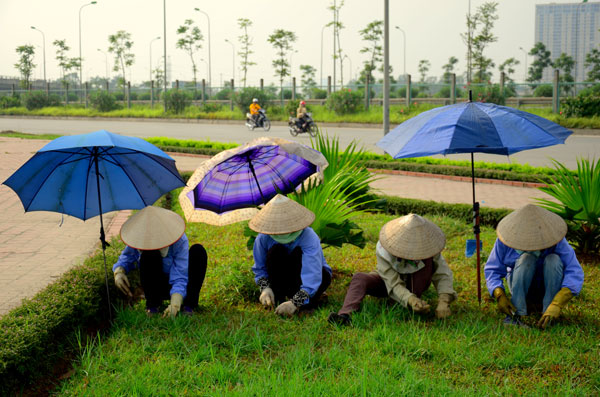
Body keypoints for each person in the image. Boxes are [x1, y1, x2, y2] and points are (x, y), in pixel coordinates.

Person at [328, 214, 457, 326]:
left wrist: (444, 301)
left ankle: (412, 304)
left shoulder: (429, 247)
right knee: (359, 278)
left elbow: (443, 274)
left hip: (417, 279)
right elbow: (392, 282)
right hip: (387, 281)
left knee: (425, 269)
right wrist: (409, 299)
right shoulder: (385, 247)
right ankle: (345, 315)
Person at [484, 204, 584, 328]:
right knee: (527, 258)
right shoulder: (505, 239)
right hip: (519, 285)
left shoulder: (557, 240)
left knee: (553, 259)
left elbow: (574, 272)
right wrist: (499, 294)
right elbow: (492, 269)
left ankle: (548, 313)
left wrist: (557, 303)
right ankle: (516, 314)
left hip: (547, 287)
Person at [112, 206, 208, 317]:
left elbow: (181, 273)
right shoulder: (139, 238)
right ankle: (152, 306)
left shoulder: (179, 240)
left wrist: (176, 302)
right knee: (149, 255)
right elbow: (127, 257)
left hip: (181, 285)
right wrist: (119, 272)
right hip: (156, 284)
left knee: (198, 251)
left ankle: (188, 306)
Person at [250, 194, 332, 317]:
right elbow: (260, 268)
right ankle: (279, 296)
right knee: (276, 251)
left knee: (299, 254)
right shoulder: (263, 238)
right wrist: (264, 288)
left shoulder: (309, 236)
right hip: (281, 278)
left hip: (311, 278)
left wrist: (296, 302)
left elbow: (313, 273)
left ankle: (306, 301)